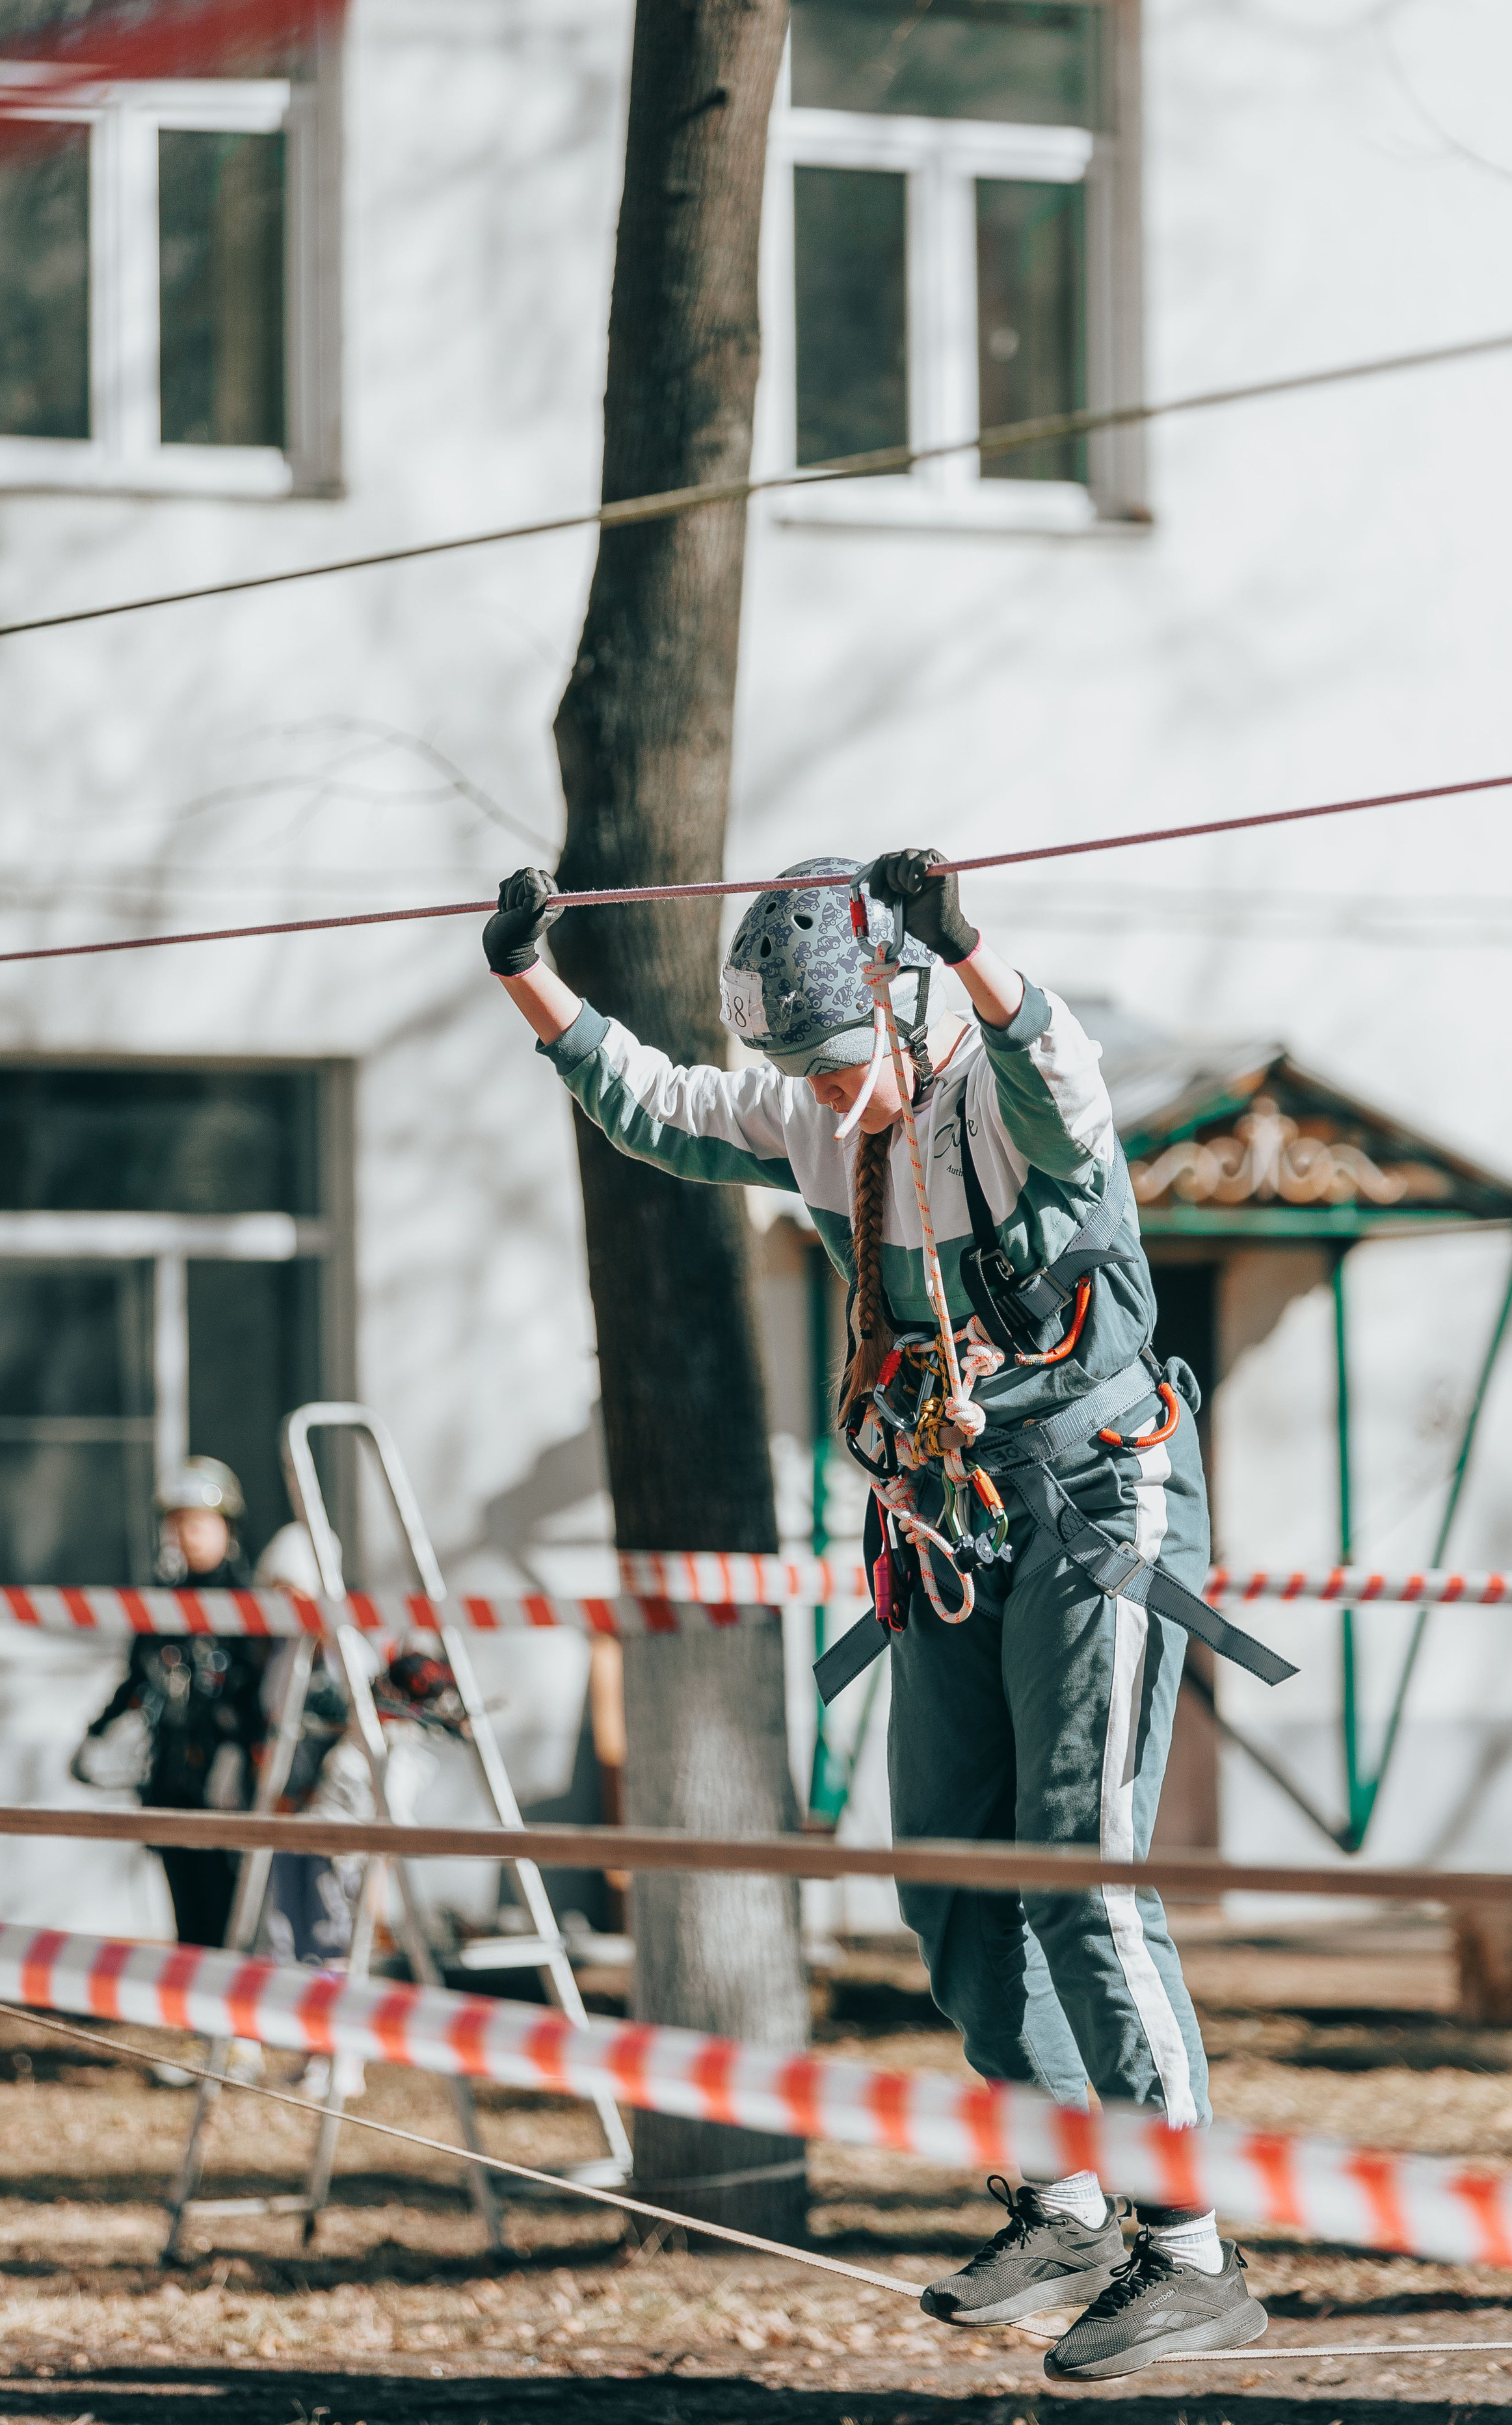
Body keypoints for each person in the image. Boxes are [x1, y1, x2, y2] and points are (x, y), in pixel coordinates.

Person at [483, 849, 1291, 2382]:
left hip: (1101, 1500)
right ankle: (1059, 2200)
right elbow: (655, 1105)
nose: (824, 1094)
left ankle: (1189, 2251)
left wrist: (962, 940)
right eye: (800, 1067)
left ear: (911, 1017)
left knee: (1078, 1869)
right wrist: (529, 977)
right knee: (949, 1870)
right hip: (955, 1512)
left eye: (841, 1059)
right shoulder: (815, 1119)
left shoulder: (1005, 1101)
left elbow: (1049, 1056)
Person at [76, 1458, 271, 1955]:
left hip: (226, 1778)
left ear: (227, 1528)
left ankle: (231, 1998)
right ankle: (193, 1996)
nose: (188, 1536)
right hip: (170, 1774)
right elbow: (138, 1676)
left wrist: (242, 1753)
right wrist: (98, 1732)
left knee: (229, 1906)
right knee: (185, 1905)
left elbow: (259, 1690)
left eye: (200, 1523)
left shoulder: (249, 1601)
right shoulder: (162, 1602)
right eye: (179, 1524)